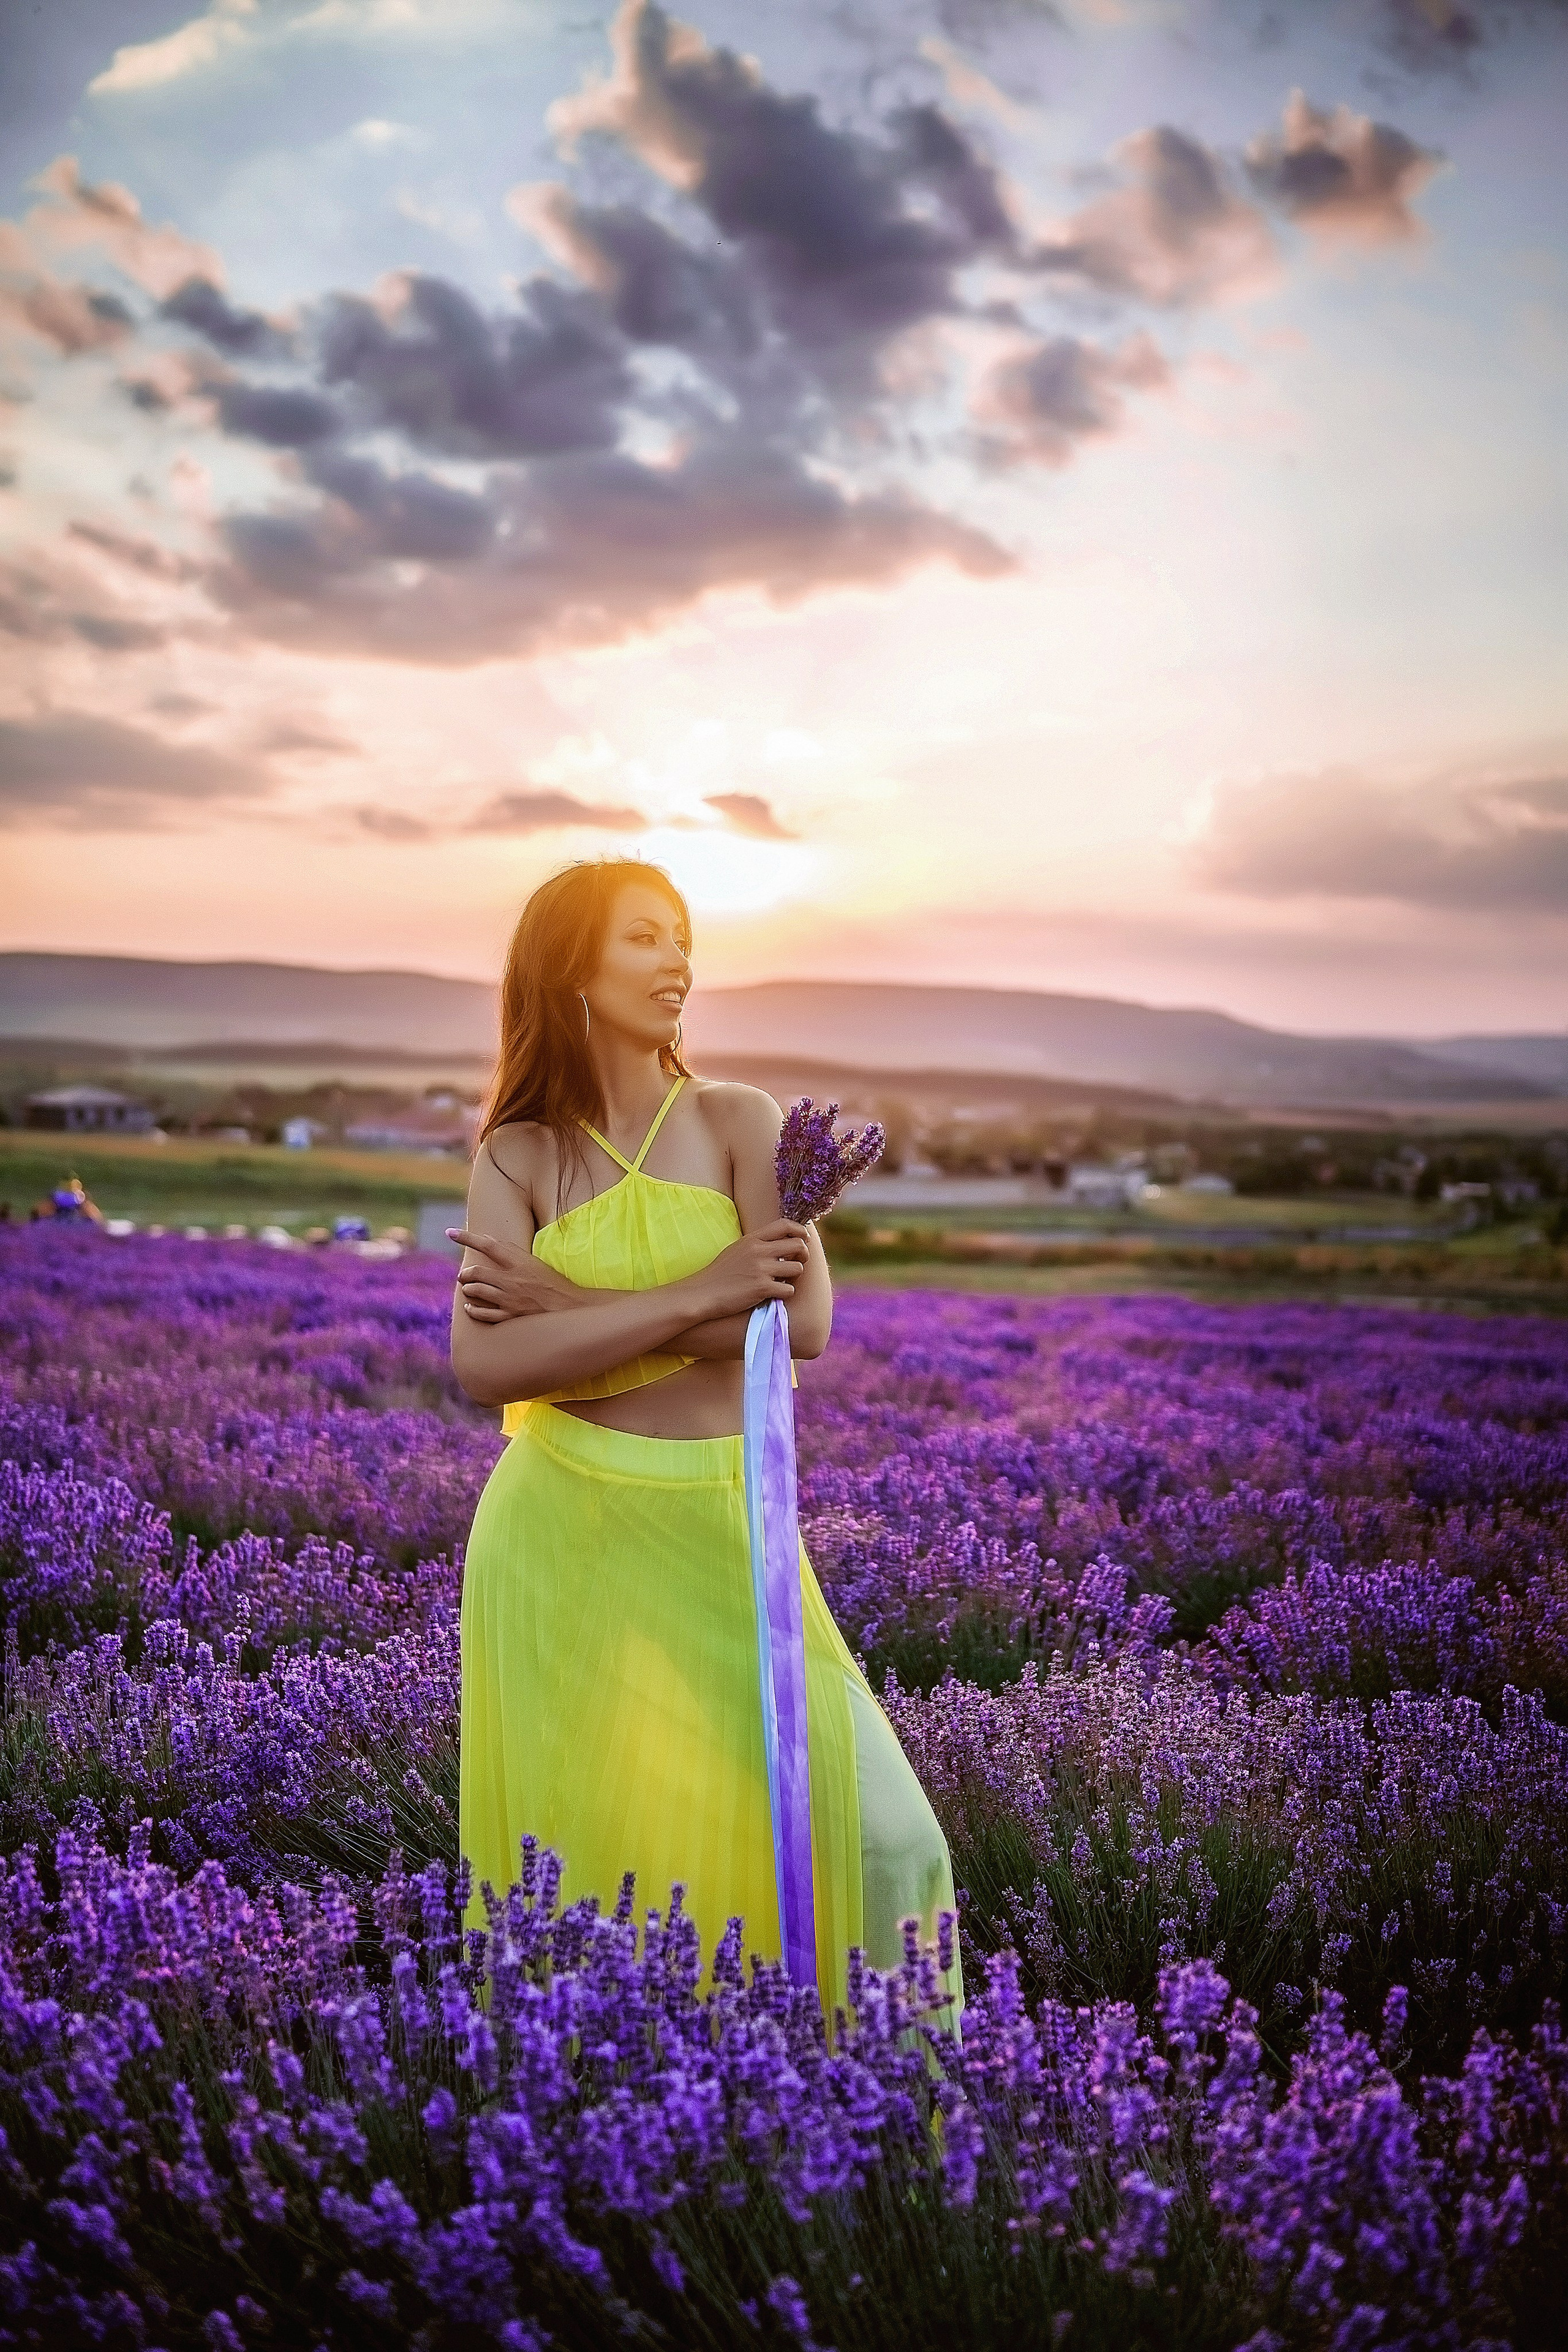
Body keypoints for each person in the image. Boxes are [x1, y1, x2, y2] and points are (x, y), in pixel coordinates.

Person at [450, 859, 961, 2027]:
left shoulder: (743, 1122)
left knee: (887, 1839)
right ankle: (631, 2154)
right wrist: (706, 1294)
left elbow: (806, 1328)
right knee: (594, 1869)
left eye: (685, 939)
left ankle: (876, 2153)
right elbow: (485, 1368)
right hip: (560, 1528)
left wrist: (570, 1320)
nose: (679, 963)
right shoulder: (517, 1156)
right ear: (571, 966)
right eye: (645, 939)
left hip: (727, 1523)